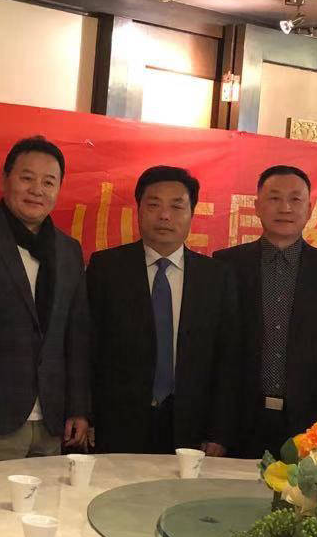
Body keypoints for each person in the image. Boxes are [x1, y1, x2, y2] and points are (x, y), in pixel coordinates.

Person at [213, 165, 317, 459]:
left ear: (309, 209)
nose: (285, 208)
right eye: (274, 198)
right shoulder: (227, 265)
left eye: (295, 199)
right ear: (257, 206)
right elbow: (216, 353)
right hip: (240, 420)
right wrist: (216, 429)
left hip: (312, 425)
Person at [85, 165, 238, 454]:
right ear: (138, 210)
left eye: (177, 206)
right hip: (117, 423)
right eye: (154, 205)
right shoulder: (107, 268)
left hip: (191, 426)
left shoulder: (217, 276)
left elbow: (227, 358)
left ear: (192, 213)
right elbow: (88, 346)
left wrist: (219, 431)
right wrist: (87, 415)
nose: (165, 215)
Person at [0, 136, 91, 464]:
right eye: (27, 178)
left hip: (51, 422)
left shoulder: (68, 250)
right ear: (5, 179)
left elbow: (75, 335)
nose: (37, 190)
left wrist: (78, 407)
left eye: (48, 182)